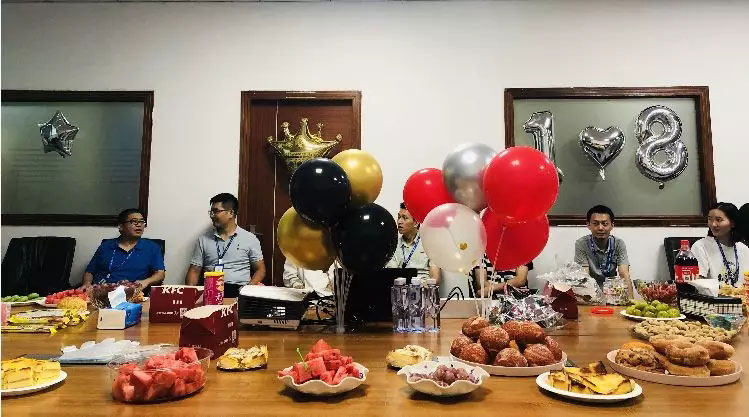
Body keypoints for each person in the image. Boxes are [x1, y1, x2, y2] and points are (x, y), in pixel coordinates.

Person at [185, 193, 265, 297]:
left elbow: (260, 269)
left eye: (216, 211)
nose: (212, 215)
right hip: (211, 290)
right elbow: (194, 271)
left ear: (231, 213)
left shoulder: (250, 239)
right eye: (211, 212)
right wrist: (190, 295)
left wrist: (248, 289)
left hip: (239, 290)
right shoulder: (203, 240)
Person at [81, 208, 165, 290]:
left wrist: (146, 282)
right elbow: (89, 271)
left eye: (142, 221)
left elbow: (160, 274)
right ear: (121, 227)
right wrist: (87, 284)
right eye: (134, 221)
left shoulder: (152, 247)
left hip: (130, 292)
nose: (139, 225)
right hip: (100, 290)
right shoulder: (106, 246)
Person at [574, 204, 633, 298]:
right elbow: (584, 276)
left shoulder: (618, 243)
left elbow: (624, 274)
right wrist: (591, 300)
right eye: (595, 223)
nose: (600, 228)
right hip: (591, 293)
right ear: (588, 225)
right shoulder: (581, 244)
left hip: (612, 292)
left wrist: (631, 302)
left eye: (605, 224)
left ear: (612, 225)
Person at [691, 202, 749, 287]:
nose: (713, 224)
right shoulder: (700, 246)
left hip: (741, 294)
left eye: (718, 220)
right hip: (713, 295)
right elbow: (699, 282)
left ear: (732, 223)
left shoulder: (743, 249)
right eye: (710, 219)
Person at [386, 203, 440, 280]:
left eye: (405, 218)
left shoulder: (429, 243)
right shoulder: (394, 245)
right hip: (401, 285)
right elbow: (390, 274)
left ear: (416, 223)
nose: (399, 222)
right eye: (399, 217)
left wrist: (422, 284)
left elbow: (435, 277)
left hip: (423, 285)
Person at [469, 254, 533, 298]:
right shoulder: (481, 254)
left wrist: (491, 288)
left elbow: (520, 281)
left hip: (518, 297)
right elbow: (482, 284)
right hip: (491, 298)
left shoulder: (521, 253)